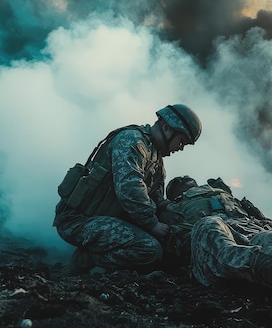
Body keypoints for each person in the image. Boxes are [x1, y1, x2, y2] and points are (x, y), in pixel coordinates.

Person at [158, 176, 272, 320]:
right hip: (213, 251)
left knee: (269, 237)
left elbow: (266, 222)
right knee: (210, 226)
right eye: (179, 183)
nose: (184, 180)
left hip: (247, 230)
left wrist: (268, 227)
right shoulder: (170, 209)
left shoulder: (226, 197)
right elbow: (170, 243)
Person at [53, 104, 202, 275]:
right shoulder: (131, 141)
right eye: (181, 141)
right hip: (77, 220)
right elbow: (130, 189)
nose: (180, 148)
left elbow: (157, 198)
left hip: (103, 218)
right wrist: (152, 224)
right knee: (149, 248)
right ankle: (86, 260)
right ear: (167, 128)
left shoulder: (155, 158)